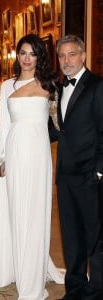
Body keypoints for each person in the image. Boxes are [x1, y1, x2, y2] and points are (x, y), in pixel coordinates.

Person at [0, 34, 64, 299]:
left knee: (36, 211)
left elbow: (59, 125)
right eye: (23, 53)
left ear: (40, 57)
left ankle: (32, 274)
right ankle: (14, 264)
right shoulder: (8, 85)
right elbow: (5, 129)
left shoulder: (50, 85)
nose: (27, 59)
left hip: (39, 154)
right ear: (17, 55)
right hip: (14, 151)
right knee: (15, 209)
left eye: (32, 54)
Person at [50, 35, 103, 300]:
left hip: (90, 174)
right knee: (71, 235)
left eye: (72, 55)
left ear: (83, 56)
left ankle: (97, 291)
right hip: (65, 173)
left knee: (95, 236)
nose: (66, 61)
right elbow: (59, 129)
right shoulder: (59, 87)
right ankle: (75, 287)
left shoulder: (97, 86)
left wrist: (100, 170)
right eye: (62, 56)